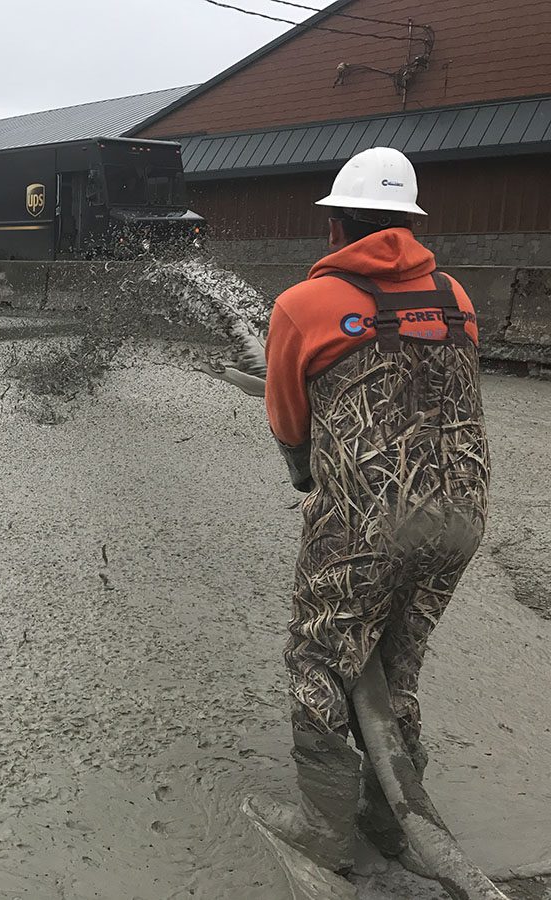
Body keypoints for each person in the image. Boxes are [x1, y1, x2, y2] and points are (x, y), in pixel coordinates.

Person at [248, 147, 491, 876]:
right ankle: (389, 824)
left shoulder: (301, 305)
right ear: (408, 227)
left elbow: (290, 422)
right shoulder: (457, 298)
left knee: (319, 655)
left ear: (336, 227)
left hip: (367, 520)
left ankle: (324, 825)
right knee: (397, 659)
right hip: (462, 514)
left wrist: (302, 475)